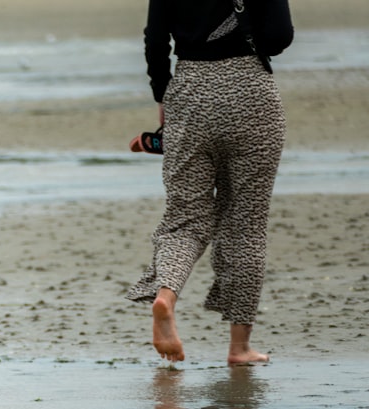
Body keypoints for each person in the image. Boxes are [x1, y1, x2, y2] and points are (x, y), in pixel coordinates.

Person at [126, 0, 294, 365]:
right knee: (246, 223)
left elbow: (155, 41)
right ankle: (239, 348)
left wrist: (162, 94)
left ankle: (166, 297)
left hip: (189, 92)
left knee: (185, 219)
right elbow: (280, 36)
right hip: (251, 93)